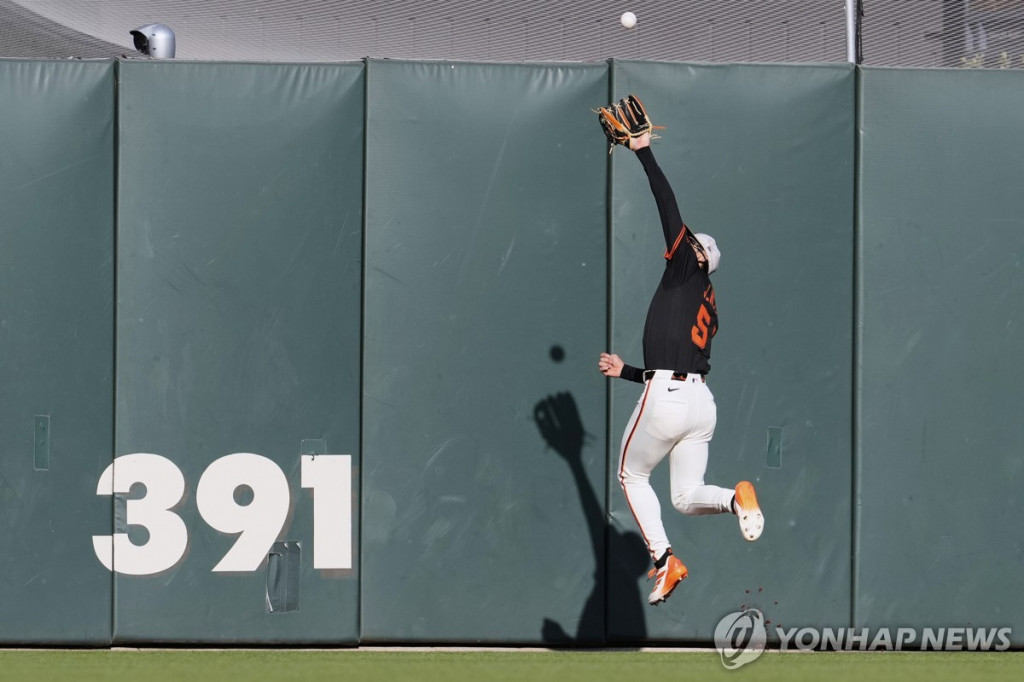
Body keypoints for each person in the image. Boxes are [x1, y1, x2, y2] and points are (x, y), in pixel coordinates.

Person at [598, 117, 764, 607]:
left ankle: (663, 558)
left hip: (670, 396)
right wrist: (627, 371)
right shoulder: (704, 298)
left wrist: (643, 150)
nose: (674, 244)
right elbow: (674, 358)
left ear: (694, 254)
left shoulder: (685, 266)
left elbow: (666, 206)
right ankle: (736, 499)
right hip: (699, 403)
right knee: (685, 497)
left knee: (632, 476)